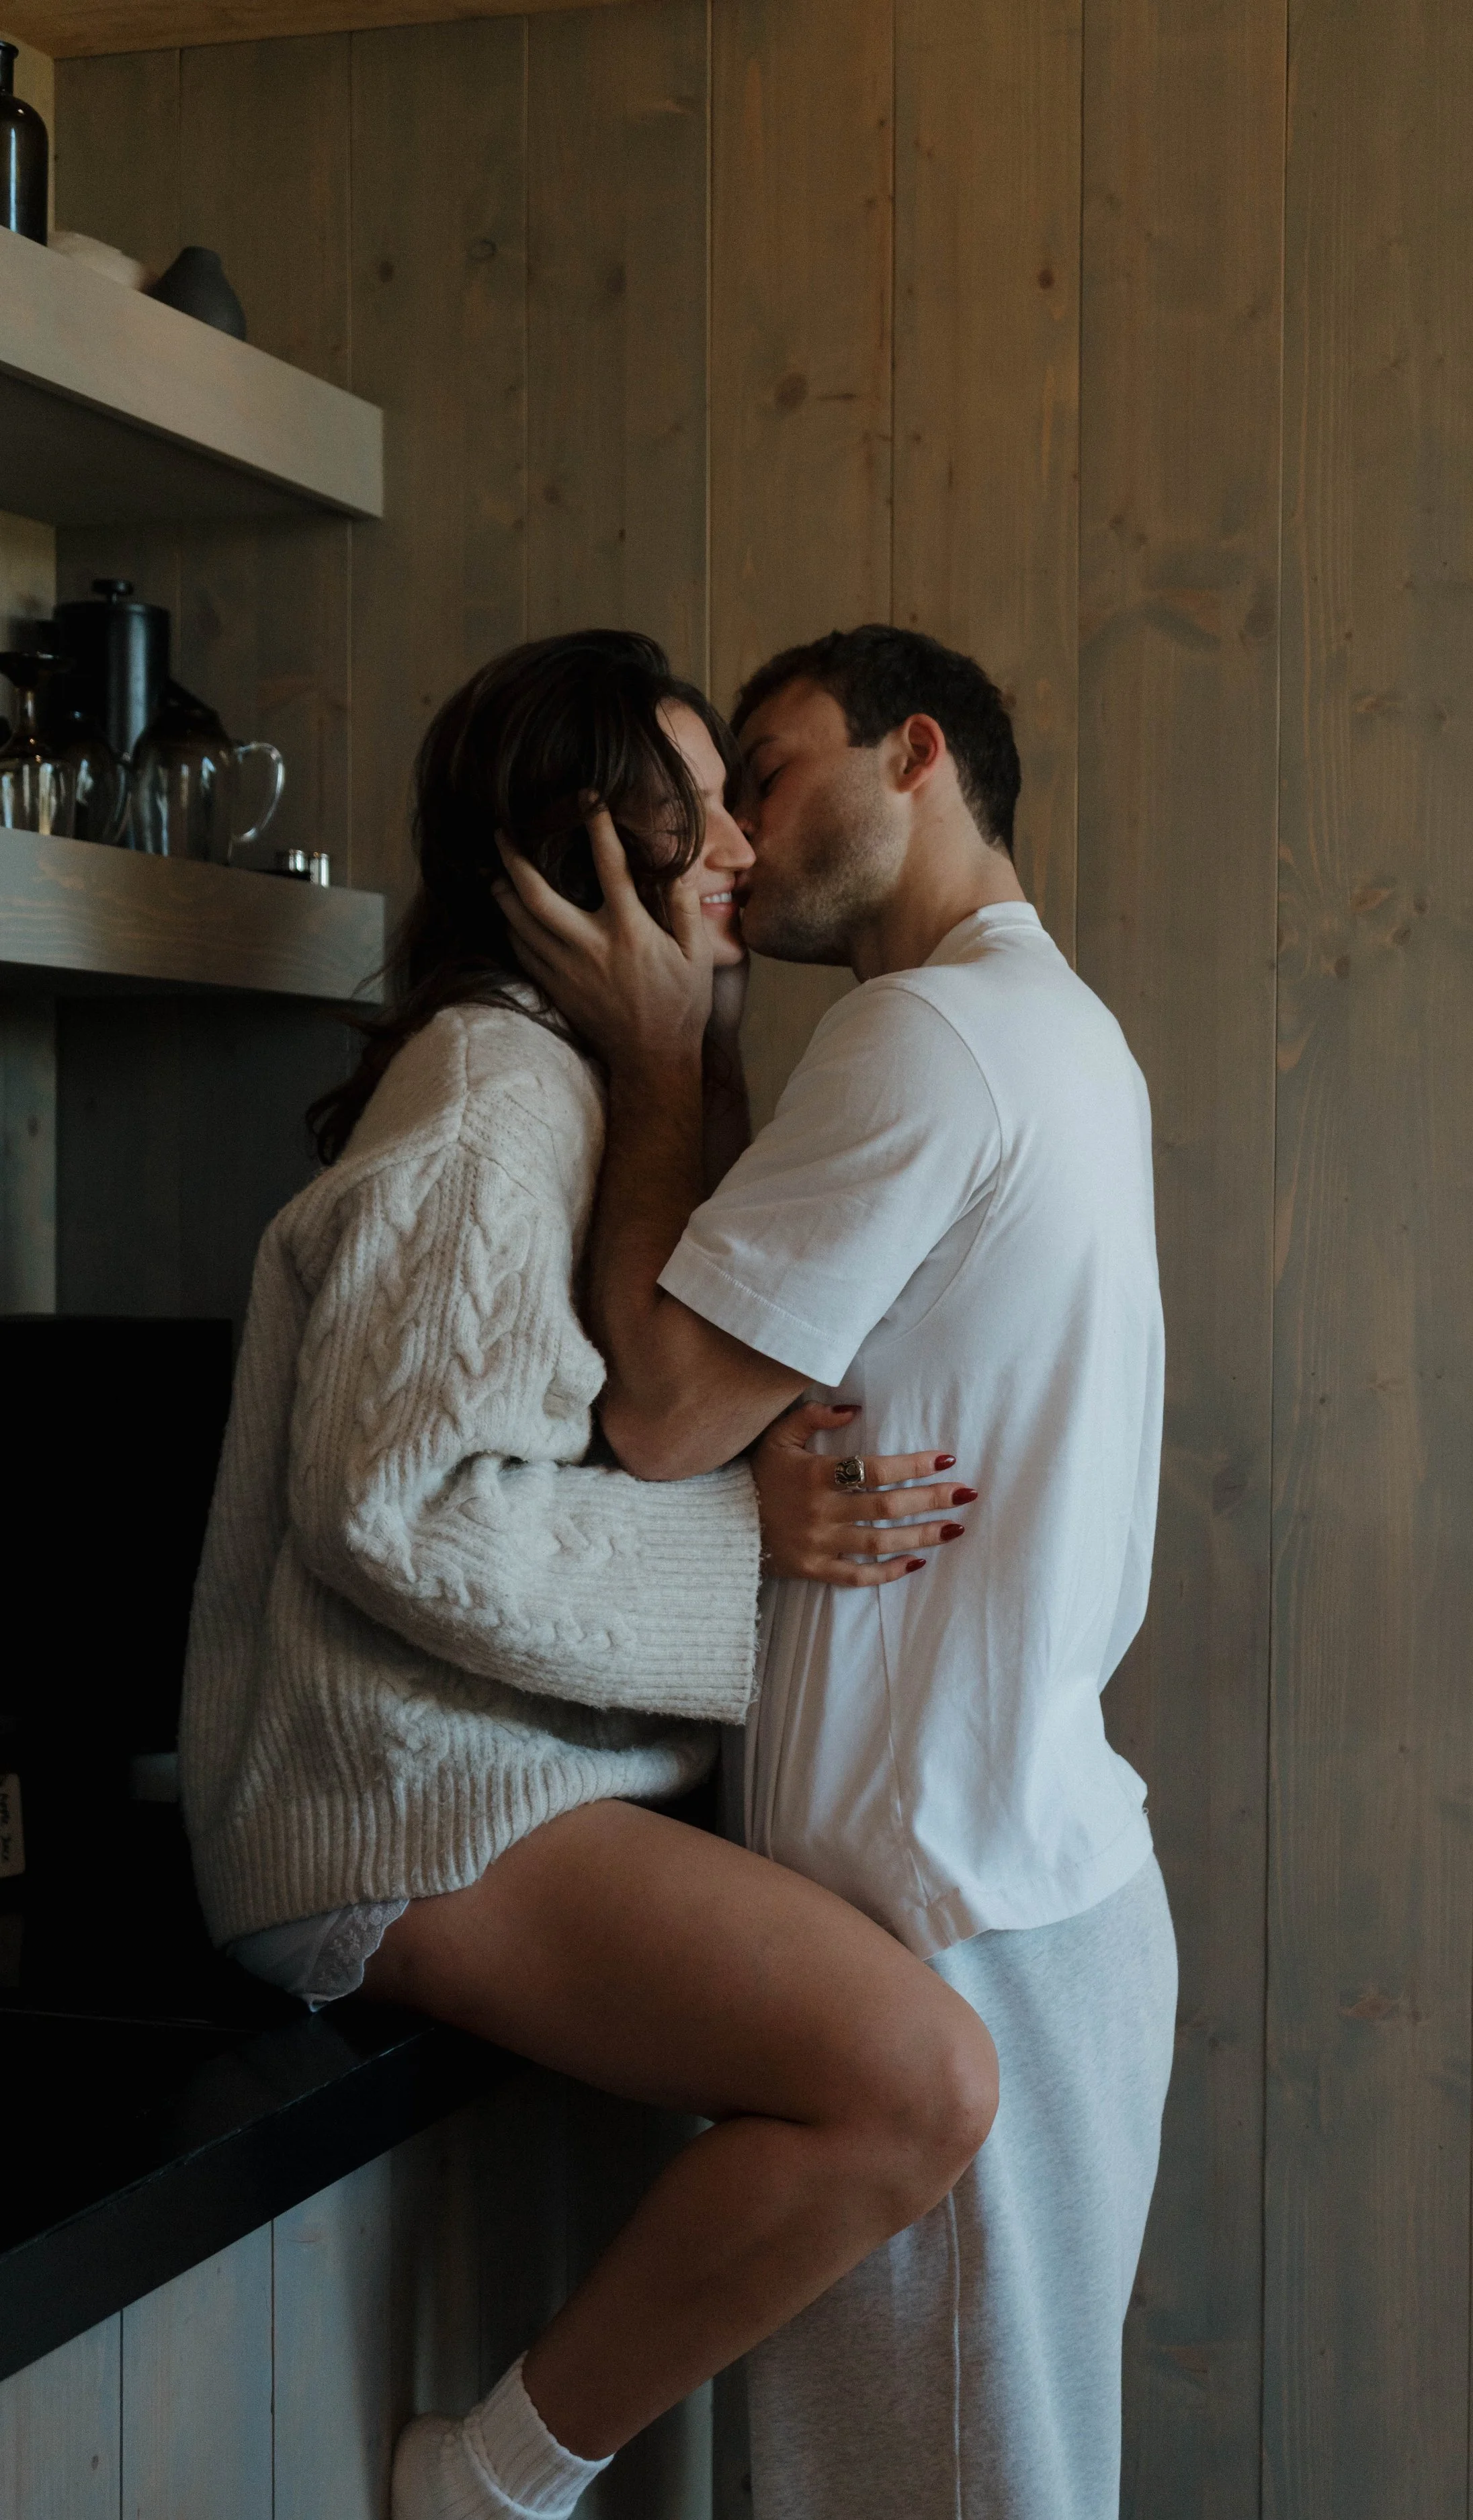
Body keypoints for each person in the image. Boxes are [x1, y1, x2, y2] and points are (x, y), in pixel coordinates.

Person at [177, 630, 999, 2520]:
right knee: (916, 2079)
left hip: (509, 1777)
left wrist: (680, 1065)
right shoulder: (487, 1100)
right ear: (573, 856)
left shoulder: (589, 1082)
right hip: (384, 1797)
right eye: (692, 805)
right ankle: (485, 2487)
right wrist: (746, 1546)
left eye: (734, 800)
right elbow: (404, 1509)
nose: (738, 845)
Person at [495, 623, 1178, 2520]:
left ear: (917, 758)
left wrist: (649, 1055)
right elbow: (750, 1368)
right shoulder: (1051, 1031)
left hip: (950, 1913)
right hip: (1012, 1887)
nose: (730, 838)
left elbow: (660, 1402)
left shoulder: (924, 1033)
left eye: (767, 776)